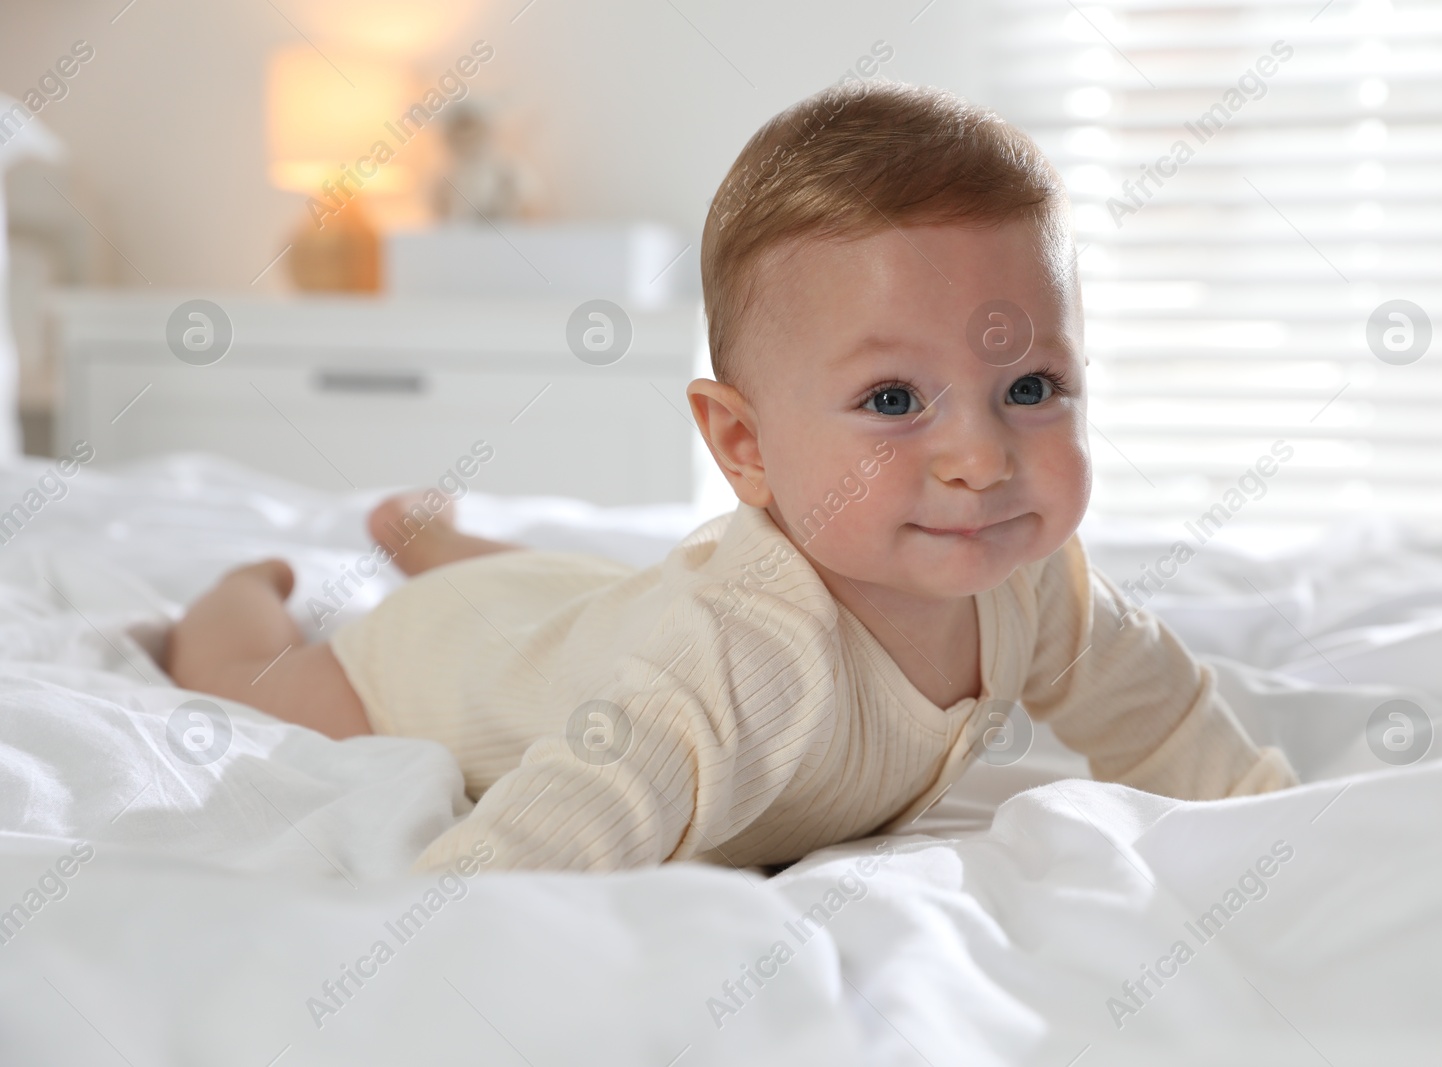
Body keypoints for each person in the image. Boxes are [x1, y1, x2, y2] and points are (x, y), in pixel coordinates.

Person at [165, 82, 1297, 875]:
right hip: (446, 670)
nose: (983, 457)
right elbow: (523, 855)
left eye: (1032, 385)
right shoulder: (740, 662)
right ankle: (246, 591)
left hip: (596, 619)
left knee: (583, 595)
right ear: (743, 447)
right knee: (280, 678)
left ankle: (433, 534)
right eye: (894, 401)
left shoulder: (1033, 578)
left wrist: (1275, 819)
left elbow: (1161, 715)